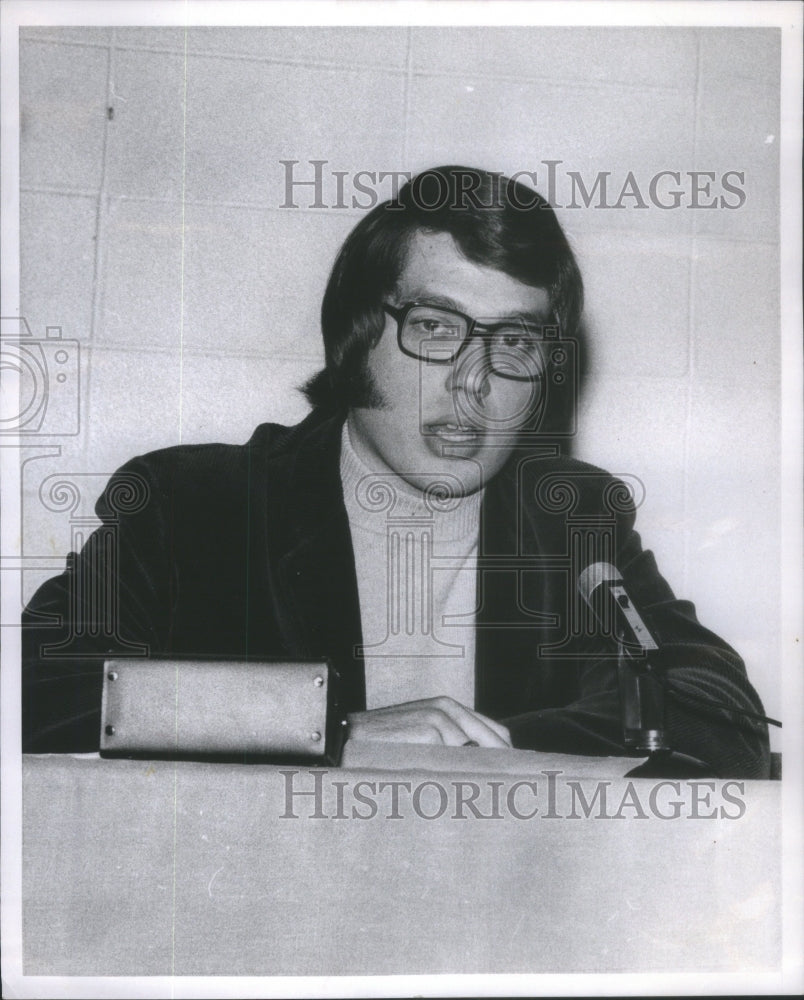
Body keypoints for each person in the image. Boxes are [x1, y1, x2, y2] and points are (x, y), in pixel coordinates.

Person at [22, 165, 770, 777]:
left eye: (514, 342)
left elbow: (717, 708)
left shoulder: (573, 517)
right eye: (436, 328)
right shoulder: (193, 506)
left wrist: (490, 750)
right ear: (356, 335)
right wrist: (334, 729)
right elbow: (37, 689)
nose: (476, 384)